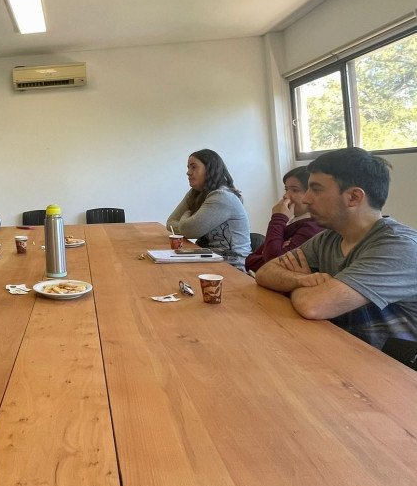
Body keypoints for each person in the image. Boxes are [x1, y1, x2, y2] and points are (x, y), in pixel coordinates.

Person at [255, 147, 417, 349]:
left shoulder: (400, 247)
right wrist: (302, 279)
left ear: (354, 197)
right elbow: (265, 272)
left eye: (316, 189)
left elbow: (314, 306)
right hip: (337, 352)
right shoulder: (328, 238)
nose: (306, 199)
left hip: (394, 373)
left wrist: (296, 287)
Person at [166, 149, 251, 270]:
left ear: (210, 169)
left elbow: (189, 230)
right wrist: (189, 222)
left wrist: (188, 213)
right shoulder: (195, 193)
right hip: (206, 258)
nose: (188, 172)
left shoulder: (222, 197)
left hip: (231, 266)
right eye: (188, 167)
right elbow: (170, 223)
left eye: (194, 167)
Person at [244, 166, 324, 273]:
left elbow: (273, 264)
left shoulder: (312, 227)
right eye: (286, 189)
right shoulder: (294, 222)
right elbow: (250, 262)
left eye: (295, 190)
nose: (286, 196)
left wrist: (278, 218)